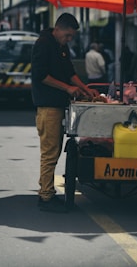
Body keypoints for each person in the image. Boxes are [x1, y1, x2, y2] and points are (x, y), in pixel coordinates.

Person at [31, 13, 99, 213]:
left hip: (59, 106)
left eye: (71, 37)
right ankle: (45, 196)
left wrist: (86, 89)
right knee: (50, 153)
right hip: (48, 107)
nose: (69, 40)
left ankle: (47, 192)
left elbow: (70, 73)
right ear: (58, 29)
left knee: (55, 150)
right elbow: (41, 75)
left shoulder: (61, 46)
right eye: (67, 35)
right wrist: (67, 89)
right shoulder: (43, 44)